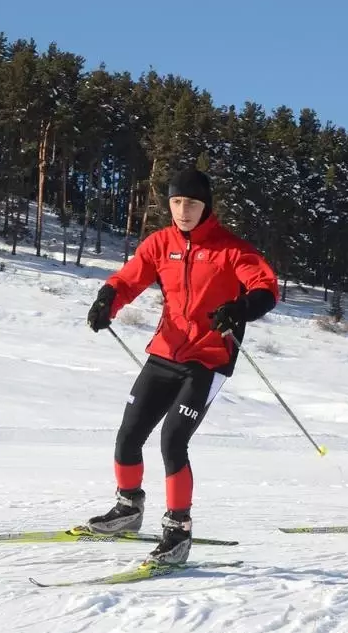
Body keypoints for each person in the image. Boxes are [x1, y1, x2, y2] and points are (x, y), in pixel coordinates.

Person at [81, 167, 280, 564]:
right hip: (165, 353)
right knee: (128, 435)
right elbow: (129, 278)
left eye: (191, 203)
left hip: (207, 360)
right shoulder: (160, 243)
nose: (183, 211)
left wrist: (241, 307)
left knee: (173, 440)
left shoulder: (231, 248)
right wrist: (108, 300)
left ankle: (177, 531)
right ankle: (128, 509)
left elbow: (266, 287)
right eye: (176, 202)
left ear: (206, 206)